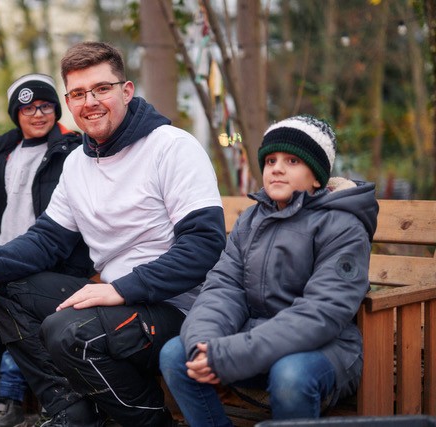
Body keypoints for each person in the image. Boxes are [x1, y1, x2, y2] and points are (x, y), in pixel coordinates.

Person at [0, 41, 226, 427]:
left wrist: (121, 289)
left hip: (177, 307)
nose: (91, 102)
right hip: (117, 299)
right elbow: (47, 239)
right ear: (69, 102)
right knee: (1, 285)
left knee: (69, 332)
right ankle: (74, 412)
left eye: (102, 88)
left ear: (126, 90)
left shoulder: (172, 147)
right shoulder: (76, 164)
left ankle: (150, 422)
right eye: (79, 93)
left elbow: (204, 246)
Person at [159, 115, 379, 426]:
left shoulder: (343, 227)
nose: (276, 168)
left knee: (289, 374)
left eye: (292, 161)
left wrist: (233, 353)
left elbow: (321, 313)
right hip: (253, 344)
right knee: (176, 354)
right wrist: (203, 344)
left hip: (324, 350)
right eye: (270, 160)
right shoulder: (251, 221)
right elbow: (223, 288)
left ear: (317, 177)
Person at [0, 73, 94, 427]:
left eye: (45, 106)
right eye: (28, 109)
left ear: (56, 109)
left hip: (51, 263)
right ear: (16, 114)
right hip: (2, 258)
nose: (38, 114)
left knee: (33, 326)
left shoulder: (72, 150)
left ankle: (49, 402)